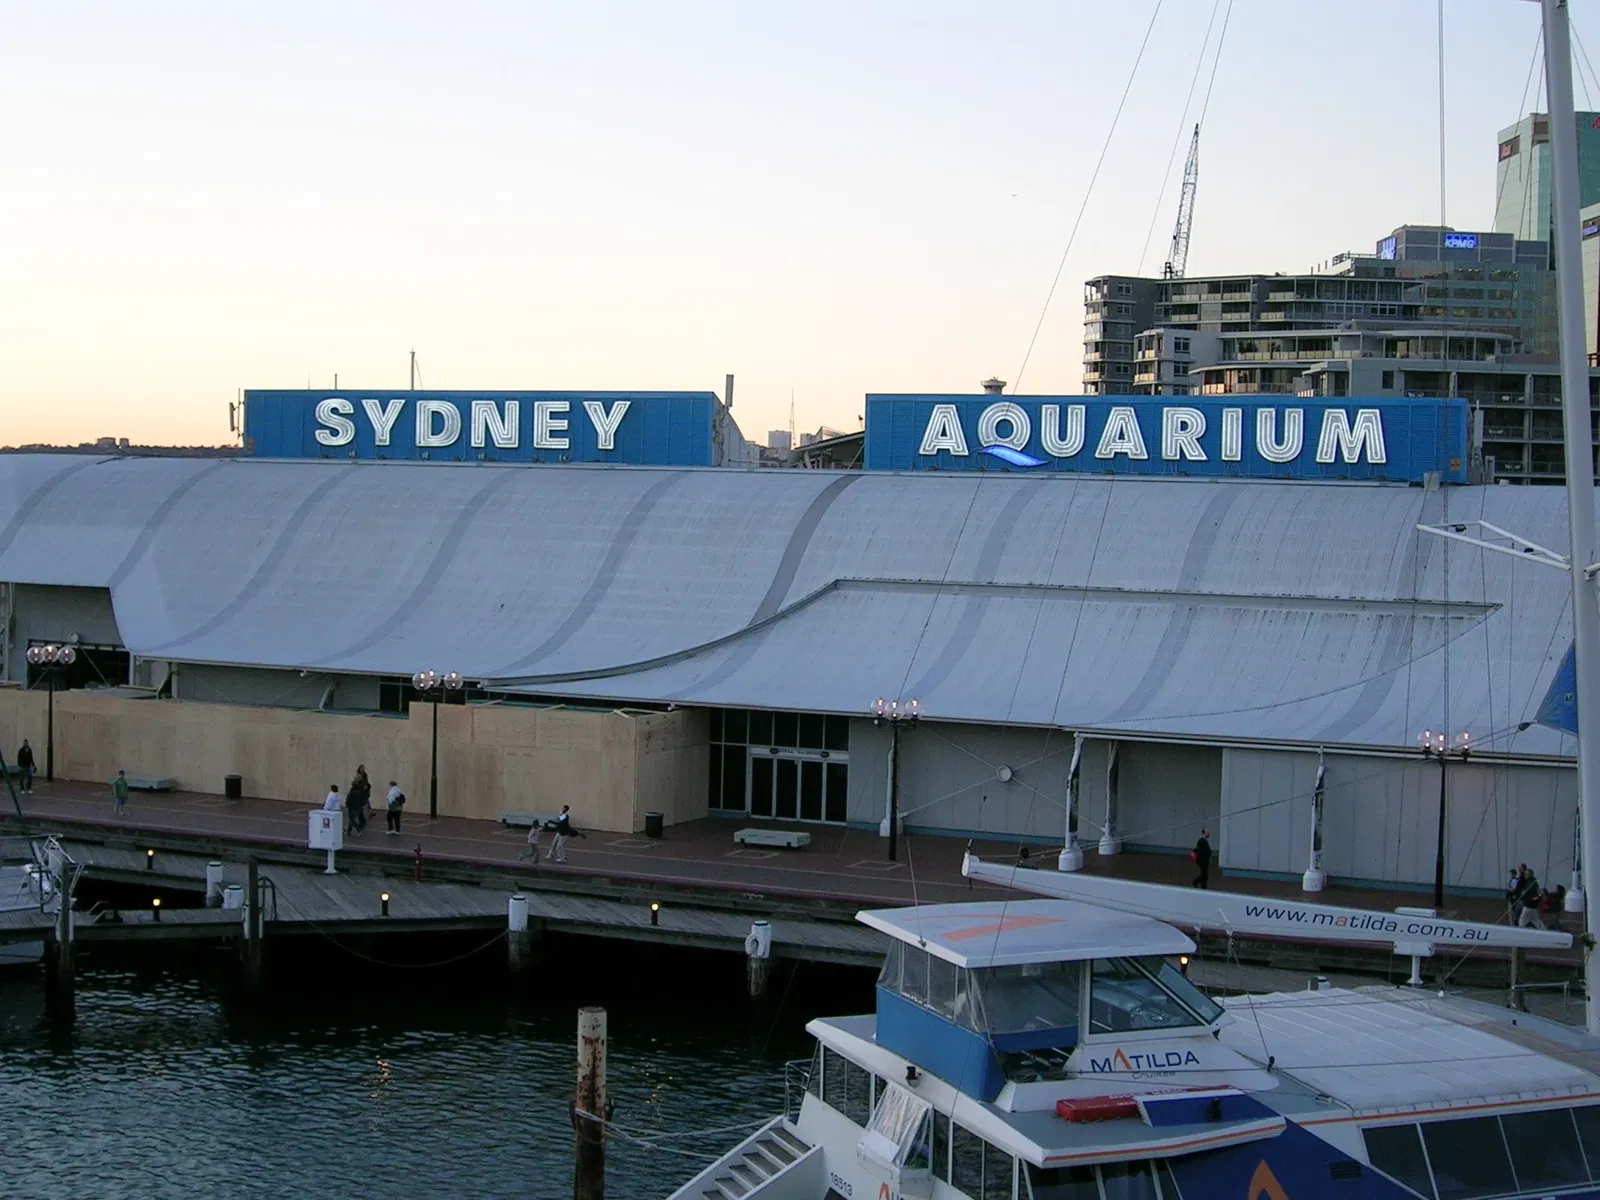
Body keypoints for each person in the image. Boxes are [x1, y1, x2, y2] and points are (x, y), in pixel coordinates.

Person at [347, 766, 372, 837]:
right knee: (354, 817)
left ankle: (358, 829)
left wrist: (347, 803)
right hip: (358, 804)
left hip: (353, 805)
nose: (355, 778)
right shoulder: (362, 788)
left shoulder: (356, 788)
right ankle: (349, 831)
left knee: (352, 818)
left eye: (356, 778)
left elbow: (350, 797)